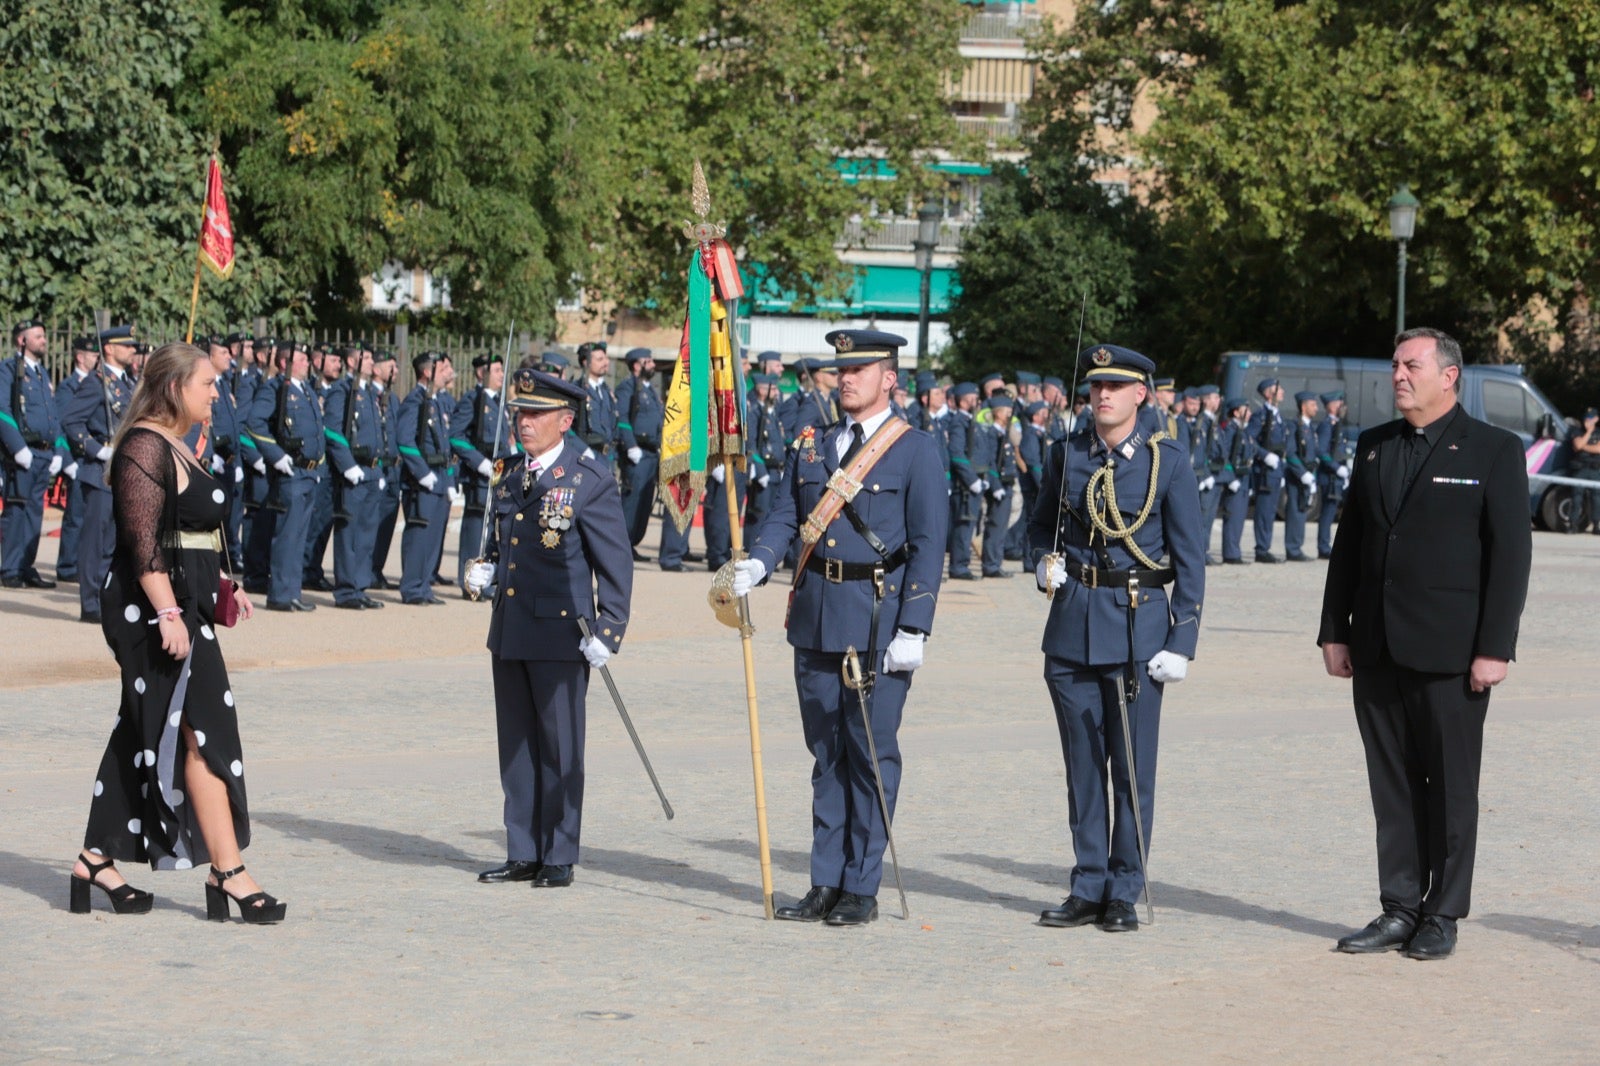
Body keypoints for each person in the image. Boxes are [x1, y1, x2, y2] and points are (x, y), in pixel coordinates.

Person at [1319, 327, 1531, 961]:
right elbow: (1349, 545)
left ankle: (1443, 912)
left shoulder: (1494, 450)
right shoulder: (1375, 446)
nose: (1398, 376)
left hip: (1452, 654)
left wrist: (1495, 647)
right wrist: (1334, 630)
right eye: (1394, 366)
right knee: (1392, 785)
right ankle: (1399, 906)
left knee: (1451, 789)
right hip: (1378, 647)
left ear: (1450, 376)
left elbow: (1511, 557)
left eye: (1411, 365)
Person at [732, 329, 948, 927]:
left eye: (861, 368)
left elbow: (929, 547)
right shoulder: (812, 445)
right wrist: (759, 560)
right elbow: (786, 515)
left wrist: (915, 627)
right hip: (816, 615)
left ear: (890, 379)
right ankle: (824, 881)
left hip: (877, 620)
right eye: (841, 368)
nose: (846, 377)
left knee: (870, 753)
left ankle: (861, 885)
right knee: (825, 754)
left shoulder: (915, 450)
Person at [69, 341, 285, 924]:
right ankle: (230, 871)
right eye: (208, 383)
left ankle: (94, 860)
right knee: (199, 731)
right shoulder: (143, 444)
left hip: (188, 605)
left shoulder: (180, 446)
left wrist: (225, 583)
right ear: (174, 389)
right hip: (153, 610)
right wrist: (167, 613)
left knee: (149, 727)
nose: (217, 392)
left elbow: (199, 529)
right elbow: (143, 544)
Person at [1028, 343, 1205, 933]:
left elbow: (1190, 560)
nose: (1102, 395)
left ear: (1140, 395)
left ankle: (1125, 887)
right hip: (1073, 626)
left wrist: (1182, 640)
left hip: (1137, 629)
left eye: (1115, 386)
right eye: (1095, 386)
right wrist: (1041, 562)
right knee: (1082, 768)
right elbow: (1038, 527)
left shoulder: (1167, 462)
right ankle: (1088, 883)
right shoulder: (1067, 455)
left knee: (1130, 769)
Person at [467, 369, 632, 889]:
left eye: (536, 414)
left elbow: (615, 564)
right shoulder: (510, 472)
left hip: (563, 632)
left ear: (565, 420)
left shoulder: (589, 477)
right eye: (520, 412)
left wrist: (609, 630)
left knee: (560, 746)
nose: (524, 422)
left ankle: (558, 852)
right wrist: (485, 568)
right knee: (516, 745)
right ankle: (523, 848)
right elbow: (504, 542)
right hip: (512, 627)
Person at [63, 325, 140, 623]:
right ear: (109, 348)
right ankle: (91, 602)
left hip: (123, 473)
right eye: (127, 345)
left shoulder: (126, 382)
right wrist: (97, 450)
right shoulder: (97, 383)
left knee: (114, 541)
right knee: (96, 541)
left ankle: (109, 597)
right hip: (100, 473)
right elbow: (71, 422)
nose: (132, 349)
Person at [245, 339, 326, 612]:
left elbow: (317, 431)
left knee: (299, 534)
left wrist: (320, 464)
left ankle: (292, 591)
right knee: (288, 534)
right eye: (302, 359)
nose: (308, 363)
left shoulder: (306, 391)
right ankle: (280, 593)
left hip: (308, 472)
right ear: (284, 363)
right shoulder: (276, 388)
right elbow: (254, 423)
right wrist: (276, 456)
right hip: (290, 472)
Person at [1, 318, 68, 589]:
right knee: (17, 512)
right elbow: (3, 411)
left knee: (34, 514)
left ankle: (26, 565)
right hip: (24, 453)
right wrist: (17, 448)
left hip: (43, 454)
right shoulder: (8, 369)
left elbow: (53, 415)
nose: (44, 340)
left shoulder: (42, 372)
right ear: (22, 340)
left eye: (43, 335)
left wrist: (59, 449)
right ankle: (9, 568)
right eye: (38, 336)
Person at [323, 345, 388, 610]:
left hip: (372, 470)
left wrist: (380, 468)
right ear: (352, 361)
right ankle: (347, 590)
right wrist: (347, 465)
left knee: (366, 533)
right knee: (349, 534)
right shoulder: (342, 390)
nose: (372, 361)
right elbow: (332, 429)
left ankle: (360, 586)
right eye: (368, 357)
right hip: (354, 471)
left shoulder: (369, 391)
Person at [396, 352, 457, 605]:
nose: (448, 373)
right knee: (419, 535)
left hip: (440, 477)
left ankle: (423, 586)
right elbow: (405, 440)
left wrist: (450, 480)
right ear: (426, 372)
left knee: (433, 537)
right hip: (422, 481)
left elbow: (445, 449)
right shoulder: (415, 401)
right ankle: (412, 587)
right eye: (442, 368)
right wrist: (423, 474)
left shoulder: (436, 402)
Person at [451, 353, 509, 597]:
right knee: (476, 531)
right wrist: (481, 463)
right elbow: (455, 436)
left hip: (499, 475)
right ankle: (470, 584)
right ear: (481, 373)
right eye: (496, 371)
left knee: (491, 532)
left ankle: (484, 581)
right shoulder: (472, 400)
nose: (501, 375)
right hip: (480, 475)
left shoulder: (499, 402)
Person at [54, 335, 102, 584]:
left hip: (91, 457)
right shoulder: (68, 386)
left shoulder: (100, 383)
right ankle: (66, 565)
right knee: (75, 517)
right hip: (77, 458)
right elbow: (63, 424)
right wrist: (65, 460)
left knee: (87, 517)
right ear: (80, 357)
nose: (96, 359)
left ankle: (77, 563)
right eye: (93, 355)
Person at [613, 348, 663, 555]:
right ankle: (621, 546)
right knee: (631, 503)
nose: (652, 364)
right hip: (637, 452)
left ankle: (631, 543)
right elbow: (622, 418)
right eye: (647, 360)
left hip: (652, 452)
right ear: (636, 365)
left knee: (644, 503)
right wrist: (631, 445)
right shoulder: (628, 387)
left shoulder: (650, 389)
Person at [972, 392, 1017, 577]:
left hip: (1006, 484)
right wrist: (996, 485)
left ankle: (995, 563)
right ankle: (990, 565)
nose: (1009, 415)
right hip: (998, 485)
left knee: (1001, 526)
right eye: (1007, 411)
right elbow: (990, 462)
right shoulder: (991, 434)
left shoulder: (1002, 433)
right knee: (995, 525)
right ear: (998, 413)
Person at [1249, 377, 1288, 563]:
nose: (1282, 392)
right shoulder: (1261, 415)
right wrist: (1265, 456)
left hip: (1275, 469)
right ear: (1267, 393)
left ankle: (1265, 546)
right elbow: (1249, 440)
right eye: (1277, 389)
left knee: (1271, 510)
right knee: (1264, 511)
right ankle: (1261, 549)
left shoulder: (1277, 415)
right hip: (1264, 470)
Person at [1215, 396, 1257, 564]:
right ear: (1235, 411)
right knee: (1233, 517)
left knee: (1239, 518)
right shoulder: (1231, 430)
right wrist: (1231, 478)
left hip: (1244, 480)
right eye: (1245, 409)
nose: (1249, 413)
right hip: (1236, 480)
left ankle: (1234, 551)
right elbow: (1227, 456)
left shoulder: (1242, 430)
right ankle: (1231, 553)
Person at [1281, 390, 1321, 562]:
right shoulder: (1294, 426)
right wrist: (1302, 474)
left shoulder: (1309, 427)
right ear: (1304, 406)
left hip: (1307, 474)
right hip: (1297, 475)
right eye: (1313, 405)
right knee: (1295, 511)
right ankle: (1292, 548)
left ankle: (1296, 546)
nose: (1316, 408)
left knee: (1302, 510)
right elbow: (1290, 453)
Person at [1314, 390, 1353, 557]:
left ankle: (1326, 545)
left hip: (1336, 477)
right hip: (1329, 476)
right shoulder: (1326, 425)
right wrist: (1336, 467)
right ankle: (1323, 547)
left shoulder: (1337, 425)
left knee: (1332, 512)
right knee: (1327, 513)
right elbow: (1321, 451)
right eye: (1338, 403)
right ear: (1330, 406)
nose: (1342, 406)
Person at [1567, 407, 1600, 532]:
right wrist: (1588, 433)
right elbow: (1577, 445)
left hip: (1594, 470)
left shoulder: (1599, 432)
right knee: (1576, 497)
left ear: (1596, 419)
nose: (1588, 420)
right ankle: (1573, 525)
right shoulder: (1577, 431)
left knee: (1596, 498)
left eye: (1591, 418)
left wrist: (1583, 446)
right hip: (1580, 469)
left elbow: (1598, 449)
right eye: (1587, 417)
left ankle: (1596, 525)